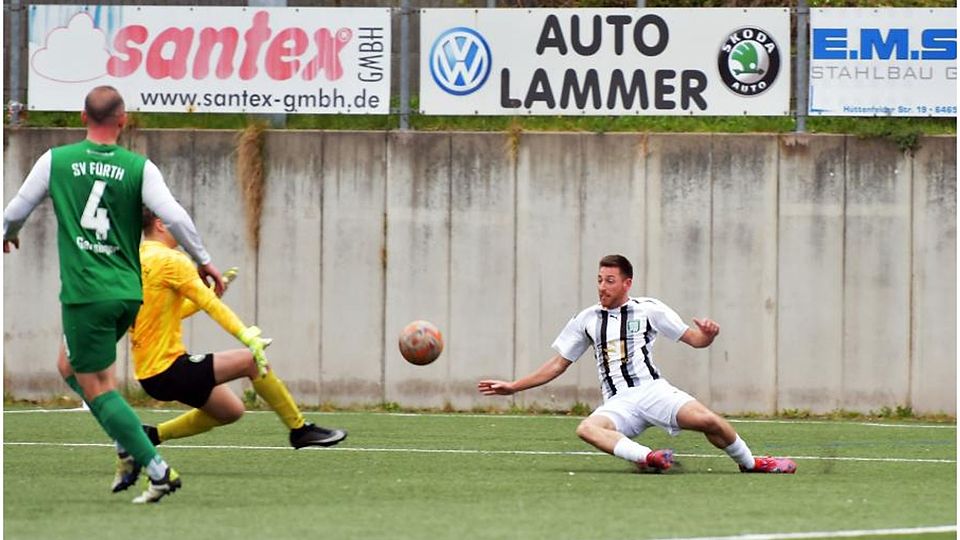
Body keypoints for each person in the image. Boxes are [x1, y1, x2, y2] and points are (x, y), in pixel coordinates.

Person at [3, 85, 226, 503]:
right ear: (123, 121)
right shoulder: (139, 167)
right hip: (127, 293)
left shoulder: (56, 161)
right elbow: (174, 216)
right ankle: (127, 442)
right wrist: (205, 259)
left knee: (99, 386)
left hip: (87, 294)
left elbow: (15, 210)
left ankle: (157, 470)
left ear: (82, 118)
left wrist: (9, 234)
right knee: (68, 367)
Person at [478, 254, 796, 474]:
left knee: (709, 421)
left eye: (610, 281)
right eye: (599, 280)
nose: (602, 287)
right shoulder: (586, 320)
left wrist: (708, 336)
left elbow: (694, 340)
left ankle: (750, 463)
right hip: (619, 403)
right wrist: (513, 386)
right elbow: (558, 364)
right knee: (586, 428)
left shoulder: (650, 310)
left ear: (627, 283)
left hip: (652, 391)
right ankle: (650, 458)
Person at [103, 208, 347, 492]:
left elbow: (167, 314)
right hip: (170, 368)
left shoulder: (135, 259)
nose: (185, 229)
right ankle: (300, 430)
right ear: (160, 224)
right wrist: (246, 336)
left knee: (230, 411)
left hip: (150, 375)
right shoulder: (172, 260)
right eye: (179, 224)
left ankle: (150, 436)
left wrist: (209, 295)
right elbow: (212, 308)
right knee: (250, 361)